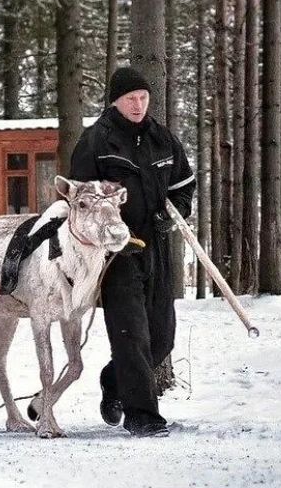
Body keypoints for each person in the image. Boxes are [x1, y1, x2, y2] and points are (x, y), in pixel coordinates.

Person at [69, 67, 195, 437]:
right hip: (115, 254)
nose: (138, 105)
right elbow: (81, 198)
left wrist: (172, 213)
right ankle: (142, 416)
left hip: (156, 246)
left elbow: (184, 186)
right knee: (131, 334)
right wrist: (105, 233)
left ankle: (114, 380)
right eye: (130, 99)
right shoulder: (96, 142)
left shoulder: (163, 139)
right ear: (115, 101)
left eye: (143, 98)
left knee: (162, 337)